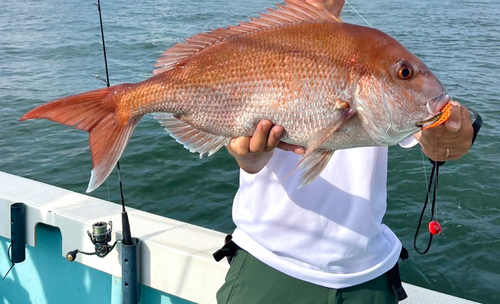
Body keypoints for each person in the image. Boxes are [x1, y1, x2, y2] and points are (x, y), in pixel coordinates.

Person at [215, 1, 475, 303]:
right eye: (404, 73)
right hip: (264, 263)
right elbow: (241, 147)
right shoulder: (257, 42)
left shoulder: (376, 50)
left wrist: (451, 130)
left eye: (404, 73)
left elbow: (443, 145)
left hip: (367, 275)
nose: (405, 74)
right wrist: (249, 160)